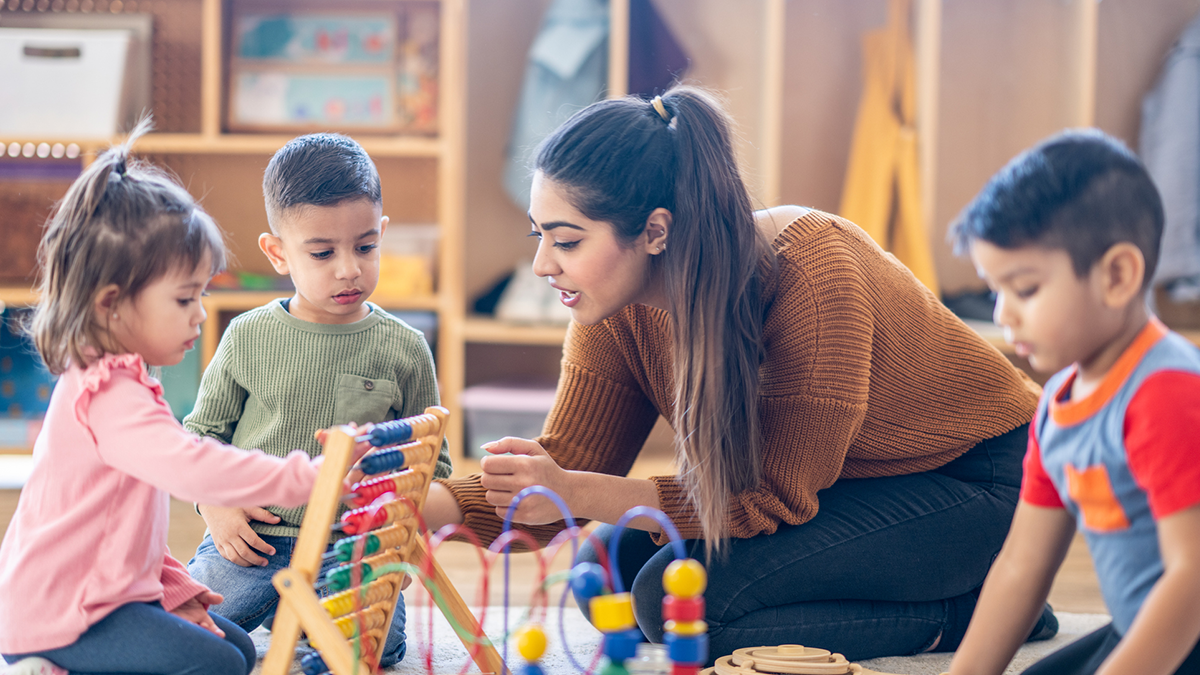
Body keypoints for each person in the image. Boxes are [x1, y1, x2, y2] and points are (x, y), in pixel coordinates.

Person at [422, 86, 1051, 661]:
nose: (540, 265)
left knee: (686, 611)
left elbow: (768, 497)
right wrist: (430, 507)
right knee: (608, 574)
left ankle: (973, 612)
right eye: (539, 236)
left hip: (983, 481)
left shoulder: (814, 275)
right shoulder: (614, 308)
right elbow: (563, 468)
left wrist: (574, 490)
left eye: (566, 241)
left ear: (655, 231)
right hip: (847, 480)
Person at [0, 121, 364, 675]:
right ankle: (45, 665)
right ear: (111, 305)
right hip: (63, 613)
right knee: (218, 665)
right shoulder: (108, 395)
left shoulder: (123, 377)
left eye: (202, 294)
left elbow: (123, 526)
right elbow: (194, 469)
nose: (200, 314)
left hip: (106, 594)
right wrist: (311, 477)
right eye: (184, 298)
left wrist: (175, 588)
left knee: (237, 649)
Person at [184, 133, 452, 667]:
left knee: (377, 650)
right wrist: (215, 506)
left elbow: (434, 464)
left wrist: (388, 524)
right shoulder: (247, 335)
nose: (348, 268)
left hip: (351, 552)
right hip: (253, 541)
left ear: (383, 235)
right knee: (184, 635)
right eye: (323, 252)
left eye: (365, 246)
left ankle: (297, 618)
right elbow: (198, 436)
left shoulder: (406, 347)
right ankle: (281, 611)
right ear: (278, 252)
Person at [947, 131, 1200, 675]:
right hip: (1145, 628)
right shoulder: (1058, 406)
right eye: (996, 290)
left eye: (1026, 289)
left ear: (1117, 276)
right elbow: (1021, 565)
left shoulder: (1166, 391)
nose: (1004, 314)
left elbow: (1193, 578)